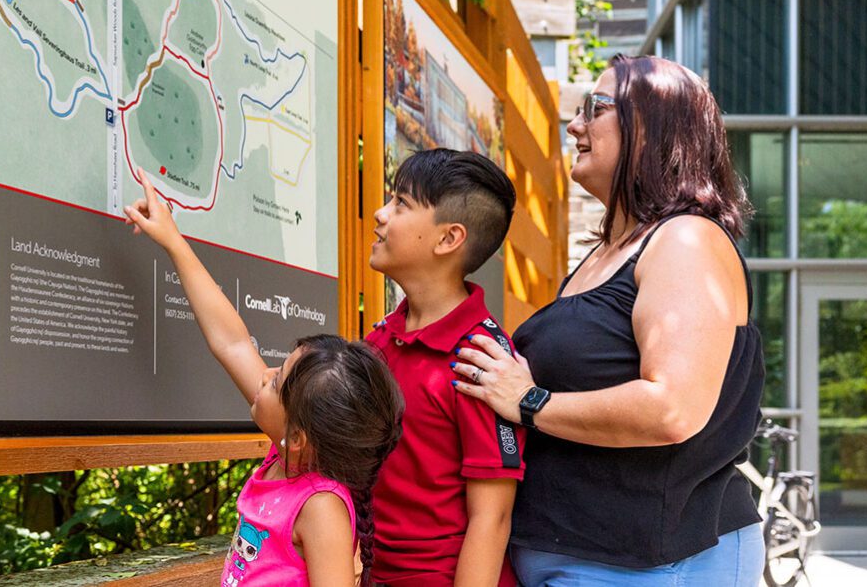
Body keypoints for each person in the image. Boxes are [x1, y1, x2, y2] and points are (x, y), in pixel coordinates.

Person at [449, 54, 766, 586]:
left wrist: (530, 402)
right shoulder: (609, 254)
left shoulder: (686, 240)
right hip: (581, 558)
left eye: (594, 108)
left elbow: (671, 408)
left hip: (658, 565)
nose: (574, 126)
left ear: (652, 129)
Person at [125, 172, 404, 587]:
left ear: (298, 436)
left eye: (276, 381)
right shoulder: (286, 456)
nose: (265, 374)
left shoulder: (321, 505)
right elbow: (233, 341)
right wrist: (173, 240)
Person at [365, 148, 525, 587]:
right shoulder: (380, 339)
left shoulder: (483, 359)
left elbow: (491, 520)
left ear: (448, 239)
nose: (380, 213)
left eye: (401, 203)